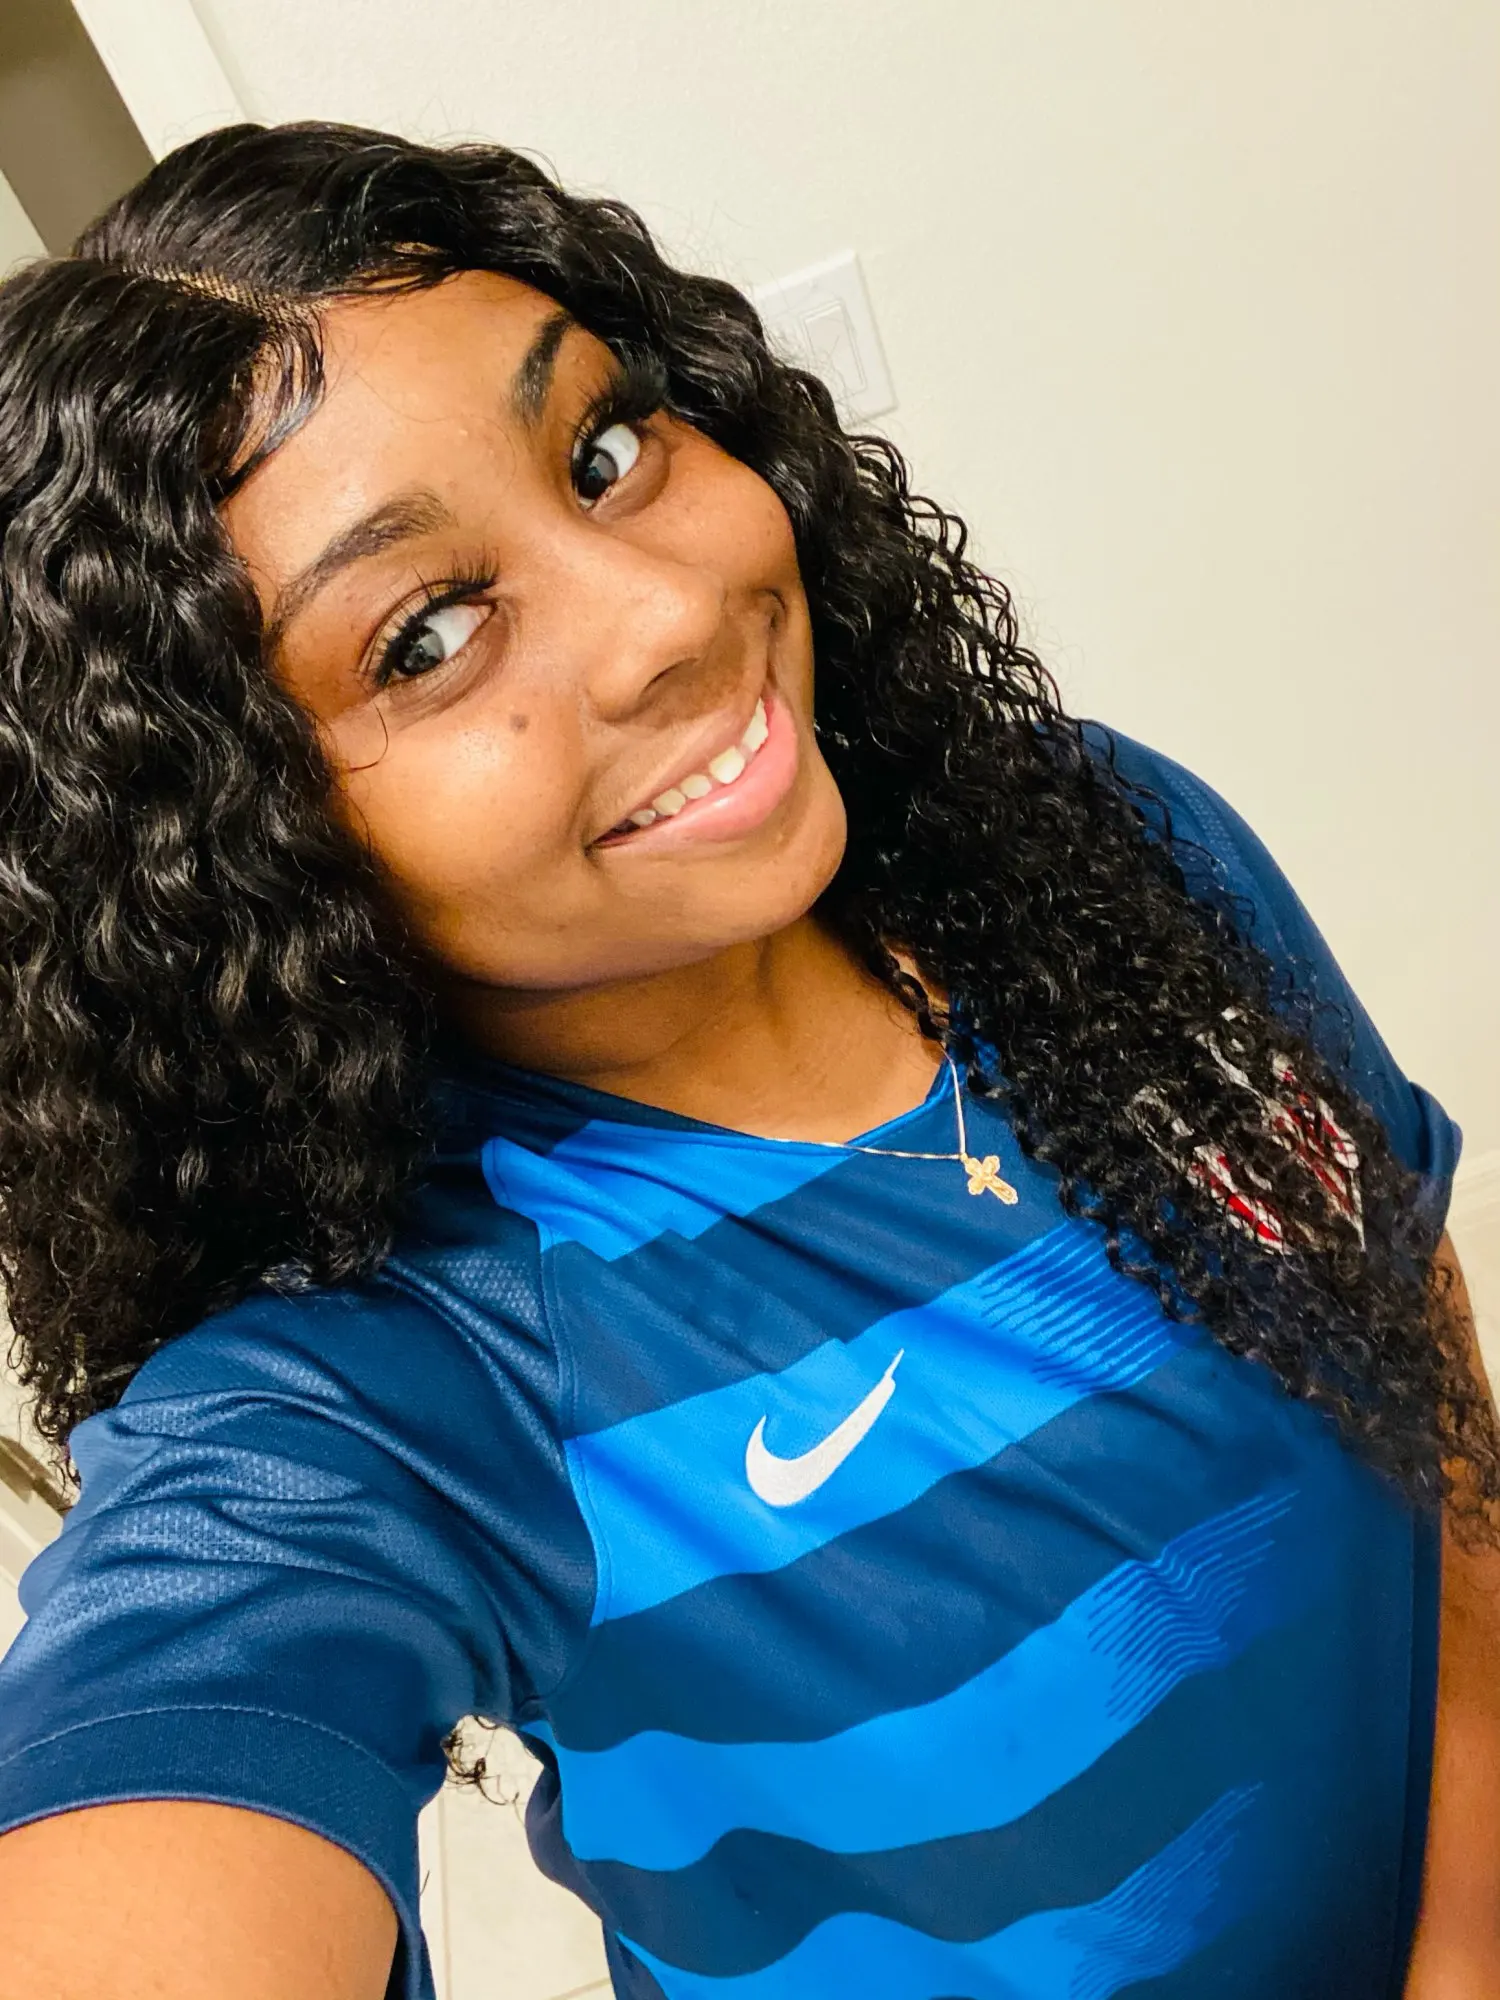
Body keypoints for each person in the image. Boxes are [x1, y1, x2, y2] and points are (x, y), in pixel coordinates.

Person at [0, 122, 1495, 2000]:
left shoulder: (1103, 844)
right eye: (428, 636)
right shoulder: (406, 1376)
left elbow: (1398, 1308)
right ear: (234, 848)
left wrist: (1465, 1930)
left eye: (602, 453)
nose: (673, 612)